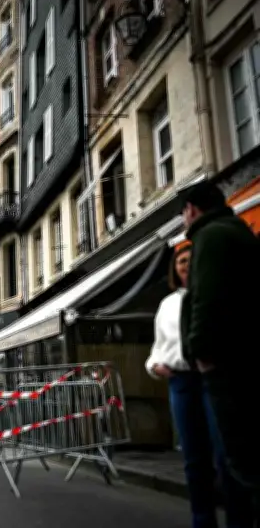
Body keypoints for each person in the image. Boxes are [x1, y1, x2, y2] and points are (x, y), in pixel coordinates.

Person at [146, 242, 254, 528]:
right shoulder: (168, 305)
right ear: (174, 268)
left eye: (191, 260)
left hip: (214, 377)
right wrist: (155, 366)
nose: (186, 265)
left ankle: (239, 521)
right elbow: (158, 347)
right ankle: (202, 521)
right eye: (181, 260)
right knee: (195, 460)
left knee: (226, 455)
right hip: (181, 382)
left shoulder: (216, 294)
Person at [180, 180, 260, 510]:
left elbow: (208, 300)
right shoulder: (236, 230)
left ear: (192, 210)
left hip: (227, 364)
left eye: (183, 213)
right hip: (241, 357)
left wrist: (202, 353)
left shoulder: (211, 237)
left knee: (243, 459)